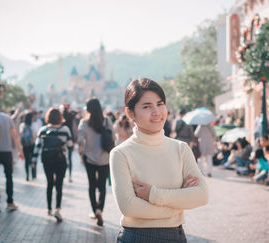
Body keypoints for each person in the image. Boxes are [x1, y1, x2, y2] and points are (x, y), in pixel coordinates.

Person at [110, 78, 208, 242]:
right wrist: (178, 203)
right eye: (147, 106)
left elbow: (202, 195)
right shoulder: (121, 153)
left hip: (176, 236)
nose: (157, 112)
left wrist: (153, 195)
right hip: (137, 236)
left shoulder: (181, 149)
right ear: (130, 113)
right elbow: (129, 207)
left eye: (160, 104)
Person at [77, 98, 113, 226]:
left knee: (92, 185)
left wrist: (81, 155)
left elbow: (80, 142)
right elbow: (112, 138)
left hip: (90, 159)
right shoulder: (107, 121)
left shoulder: (84, 123)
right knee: (102, 186)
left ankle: (94, 209)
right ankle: (100, 209)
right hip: (104, 159)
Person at [33, 107, 72, 222]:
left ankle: (49, 208)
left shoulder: (43, 130)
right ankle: (57, 209)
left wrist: (34, 161)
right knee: (59, 185)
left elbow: (37, 146)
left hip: (47, 160)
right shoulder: (65, 130)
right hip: (61, 160)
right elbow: (70, 145)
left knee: (50, 183)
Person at [61, 102, 76, 182]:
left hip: (62, 137)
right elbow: (75, 113)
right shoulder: (70, 115)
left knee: (64, 157)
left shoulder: (61, 115)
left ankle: (64, 174)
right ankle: (69, 175)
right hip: (69, 136)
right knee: (69, 158)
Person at [20, 111, 36, 181]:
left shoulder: (22, 125)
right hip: (32, 144)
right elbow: (35, 135)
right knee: (32, 159)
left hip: (25, 145)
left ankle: (27, 175)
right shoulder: (33, 125)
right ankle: (33, 174)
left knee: (26, 160)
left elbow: (20, 134)